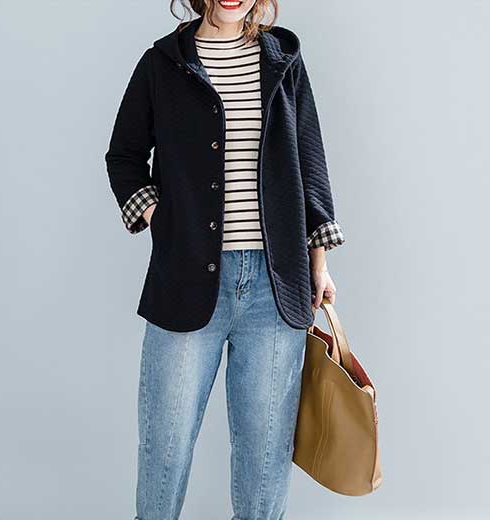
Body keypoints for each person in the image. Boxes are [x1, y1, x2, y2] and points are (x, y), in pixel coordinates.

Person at [105, 1, 345, 518]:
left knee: (265, 459)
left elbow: (310, 161)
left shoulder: (283, 58)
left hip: (276, 286)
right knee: (165, 450)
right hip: (186, 279)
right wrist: (162, 219)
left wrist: (319, 263)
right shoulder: (163, 63)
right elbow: (123, 156)